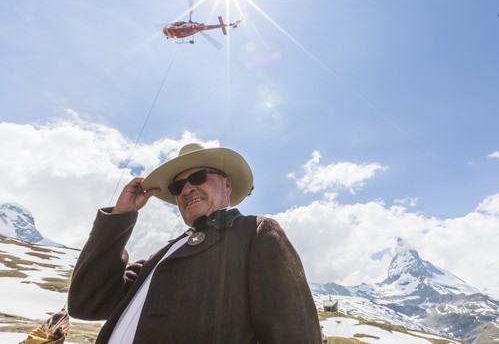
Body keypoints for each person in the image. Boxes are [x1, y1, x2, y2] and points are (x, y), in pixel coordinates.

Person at [68, 143, 322, 343]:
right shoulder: (161, 257)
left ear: (227, 184)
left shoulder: (255, 234)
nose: (187, 188)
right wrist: (121, 217)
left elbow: (295, 334)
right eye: (178, 186)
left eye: (199, 177)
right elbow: (86, 303)